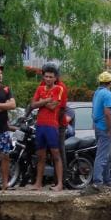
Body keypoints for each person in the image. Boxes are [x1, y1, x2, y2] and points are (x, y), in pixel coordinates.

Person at [27, 63, 67, 191]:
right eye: (46, 76)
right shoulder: (40, 88)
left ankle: (60, 183)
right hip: (40, 124)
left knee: (56, 154)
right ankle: (38, 183)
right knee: (40, 156)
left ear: (55, 78)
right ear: (43, 77)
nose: (48, 79)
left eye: (51, 77)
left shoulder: (58, 88)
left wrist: (41, 102)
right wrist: (46, 101)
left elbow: (53, 106)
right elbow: (33, 104)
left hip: (52, 125)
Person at [92, 71, 111, 188]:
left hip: (99, 127)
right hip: (104, 128)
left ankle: (108, 180)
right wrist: (109, 128)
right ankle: (97, 182)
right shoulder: (107, 94)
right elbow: (108, 113)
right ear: (110, 82)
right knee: (102, 155)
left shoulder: (97, 93)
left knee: (106, 155)